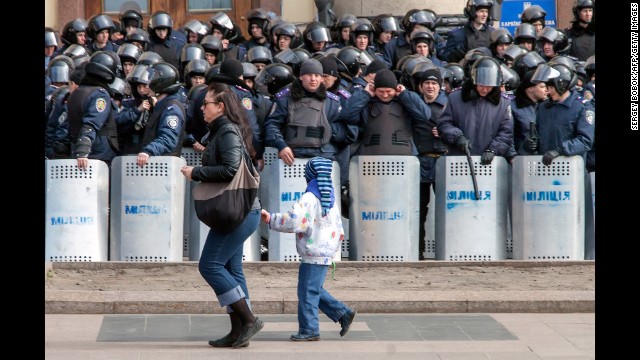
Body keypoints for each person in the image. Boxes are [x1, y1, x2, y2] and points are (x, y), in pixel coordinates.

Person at [180, 82, 264, 349]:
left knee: (210, 265)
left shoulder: (227, 131)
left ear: (221, 107)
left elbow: (230, 169)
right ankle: (238, 331)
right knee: (231, 268)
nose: (202, 108)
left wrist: (196, 173)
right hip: (241, 211)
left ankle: (249, 319)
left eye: (207, 103)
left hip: (238, 212)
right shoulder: (221, 131)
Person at [260, 156, 357, 341]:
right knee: (313, 289)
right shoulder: (330, 197)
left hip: (313, 252)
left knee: (307, 291)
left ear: (309, 175)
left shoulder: (309, 197)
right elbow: (339, 226)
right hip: (326, 251)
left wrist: (271, 219)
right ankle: (343, 314)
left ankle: (309, 329)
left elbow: (295, 221)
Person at [264, 58, 348, 164]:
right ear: (301, 77)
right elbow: (272, 125)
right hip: (292, 158)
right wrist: (281, 145)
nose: (313, 79)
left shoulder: (332, 102)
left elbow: (347, 131)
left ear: (322, 78)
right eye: (309, 75)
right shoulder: (285, 99)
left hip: (323, 158)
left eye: (317, 75)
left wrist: (329, 131)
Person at [437, 56, 514, 164]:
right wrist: (457, 137)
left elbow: (506, 132)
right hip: (460, 161)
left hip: (489, 163)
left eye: (489, 86)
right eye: (481, 85)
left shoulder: (503, 104)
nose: (485, 89)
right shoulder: (455, 98)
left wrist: (493, 150)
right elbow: (444, 124)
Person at [412, 67, 448, 260]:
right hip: (420, 162)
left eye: (434, 83)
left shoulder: (447, 106)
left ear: (440, 86)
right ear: (421, 86)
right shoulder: (415, 106)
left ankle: (448, 250)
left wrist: (444, 134)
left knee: (446, 208)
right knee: (419, 210)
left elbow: (458, 130)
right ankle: (419, 252)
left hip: (442, 161)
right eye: (427, 83)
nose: (430, 87)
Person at [67, 51, 120, 170]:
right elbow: (91, 123)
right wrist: (83, 150)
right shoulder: (100, 94)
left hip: (78, 153)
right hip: (97, 156)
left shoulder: (77, 93)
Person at [135, 62, 186, 167]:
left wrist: (148, 151)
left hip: (165, 170)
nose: (147, 87)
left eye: (151, 81)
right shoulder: (160, 106)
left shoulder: (172, 108)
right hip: (157, 168)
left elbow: (168, 138)